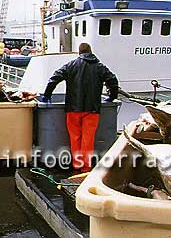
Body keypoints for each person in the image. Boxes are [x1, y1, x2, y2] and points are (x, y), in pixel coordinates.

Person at [42, 43, 118, 172]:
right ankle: (86, 167)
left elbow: (53, 79)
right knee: (88, 139)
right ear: (90, 51)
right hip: (92, 109)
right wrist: (112, 96)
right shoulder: (100, 67)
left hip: (73, 109)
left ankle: (77, 165)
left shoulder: (70, 66)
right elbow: (113, 80)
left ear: (79, 53)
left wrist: (47, 95)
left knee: (75, 137)